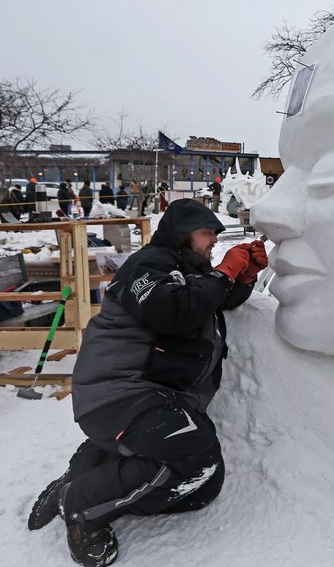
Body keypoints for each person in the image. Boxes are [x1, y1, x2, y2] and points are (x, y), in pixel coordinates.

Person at [26, 198, 268, 567]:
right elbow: (172, 311)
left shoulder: (185, 270)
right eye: (206, 233)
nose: (213, 242)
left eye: (215, 235)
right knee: (194, 456)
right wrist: (224, 272)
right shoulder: (149, 264)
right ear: (182, 233)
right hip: (117, 392)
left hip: (149, 396)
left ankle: (88, 471)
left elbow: (209, 300)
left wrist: (243, 276)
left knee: (203, 487)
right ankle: (82, 505)